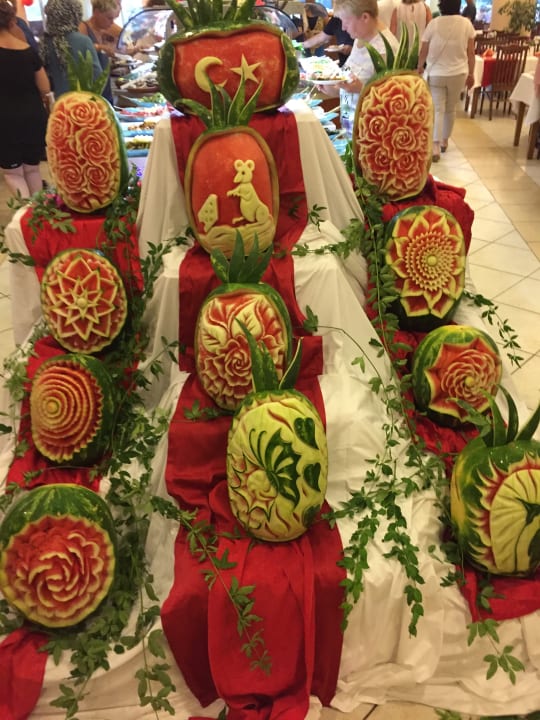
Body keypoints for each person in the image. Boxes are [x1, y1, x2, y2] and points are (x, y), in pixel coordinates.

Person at [316, 0, 398, 137]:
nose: (343, 28)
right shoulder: (361, 37)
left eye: (346, 21)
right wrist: (333, 88)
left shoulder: (385, 50)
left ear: (365, 17)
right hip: (350, 128)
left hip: (371, 136)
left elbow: (392, 103)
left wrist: (362, 89)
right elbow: (352, 84)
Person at [0, 0, 50, 198]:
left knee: (13, 173)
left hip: (4, 119)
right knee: (32, 169)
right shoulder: (28, 50)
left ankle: (26, 212)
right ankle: (38, 210)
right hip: (33, 115)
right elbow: (45, 87)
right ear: (12, 21)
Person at [417, 0, 475, 161]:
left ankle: (435, 146)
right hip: (458, 73)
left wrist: (420, 66)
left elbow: (424, 50)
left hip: (436, 74)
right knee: (450, 109)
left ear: (441, 5)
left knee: (437, 109)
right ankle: (444, 141)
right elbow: (471, 52)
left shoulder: (433, 24)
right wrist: (471, 74)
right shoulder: (466, 24)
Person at [42, 0, 103, 99]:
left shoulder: (44, 42)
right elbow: (97, 76)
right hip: (82, 99)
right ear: (75, 15)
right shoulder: (83, 41)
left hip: (56, 101)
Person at [78, 0, 121, 102]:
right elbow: (80, 49)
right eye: (109, 18)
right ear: (97, 12)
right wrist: (100, 47)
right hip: (91, 86)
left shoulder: (106, 29)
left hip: (105, 83)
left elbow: (125, 39)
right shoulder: (83, 27)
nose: (112, 22)